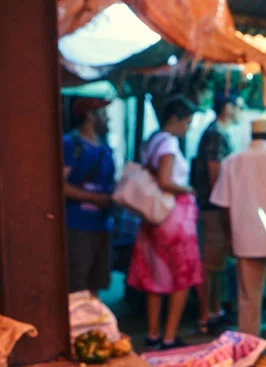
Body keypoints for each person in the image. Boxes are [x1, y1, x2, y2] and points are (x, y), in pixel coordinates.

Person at [210, 115, 266, 352]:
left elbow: (223, 205)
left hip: (245, 238)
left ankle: (249, 345)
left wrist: (230, 237)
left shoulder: (231, 161)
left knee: (249, 295)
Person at [127, 96, 203, 350]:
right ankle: (169, 336)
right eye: (187, 122)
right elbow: (165, 181)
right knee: (182, 275)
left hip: (154, 218)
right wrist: (189, 189)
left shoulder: (152, 140)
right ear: (175, 119)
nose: (188, 127)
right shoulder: (169, 142)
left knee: (154, 276)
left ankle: (153, 333)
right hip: (173, 217)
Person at [191, 93, 243, 333]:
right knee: (210, 264)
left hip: (216, 207)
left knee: (216, 263)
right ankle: (205, 315)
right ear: (227, 107)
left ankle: (214, 310)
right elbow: (216, 178)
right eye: (238, 107)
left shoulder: (219, 133)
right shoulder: (215, 135)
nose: (240, 112)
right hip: (213, 209)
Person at [63, 97, 117, 295]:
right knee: (77, 283)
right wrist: (94, 198)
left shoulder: (105, 148)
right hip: (76, 226)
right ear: (90, 115)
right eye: (103, 112)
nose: (108, 117)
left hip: (102, 225)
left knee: (97, 281)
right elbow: (60, 186)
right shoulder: (71, 144)